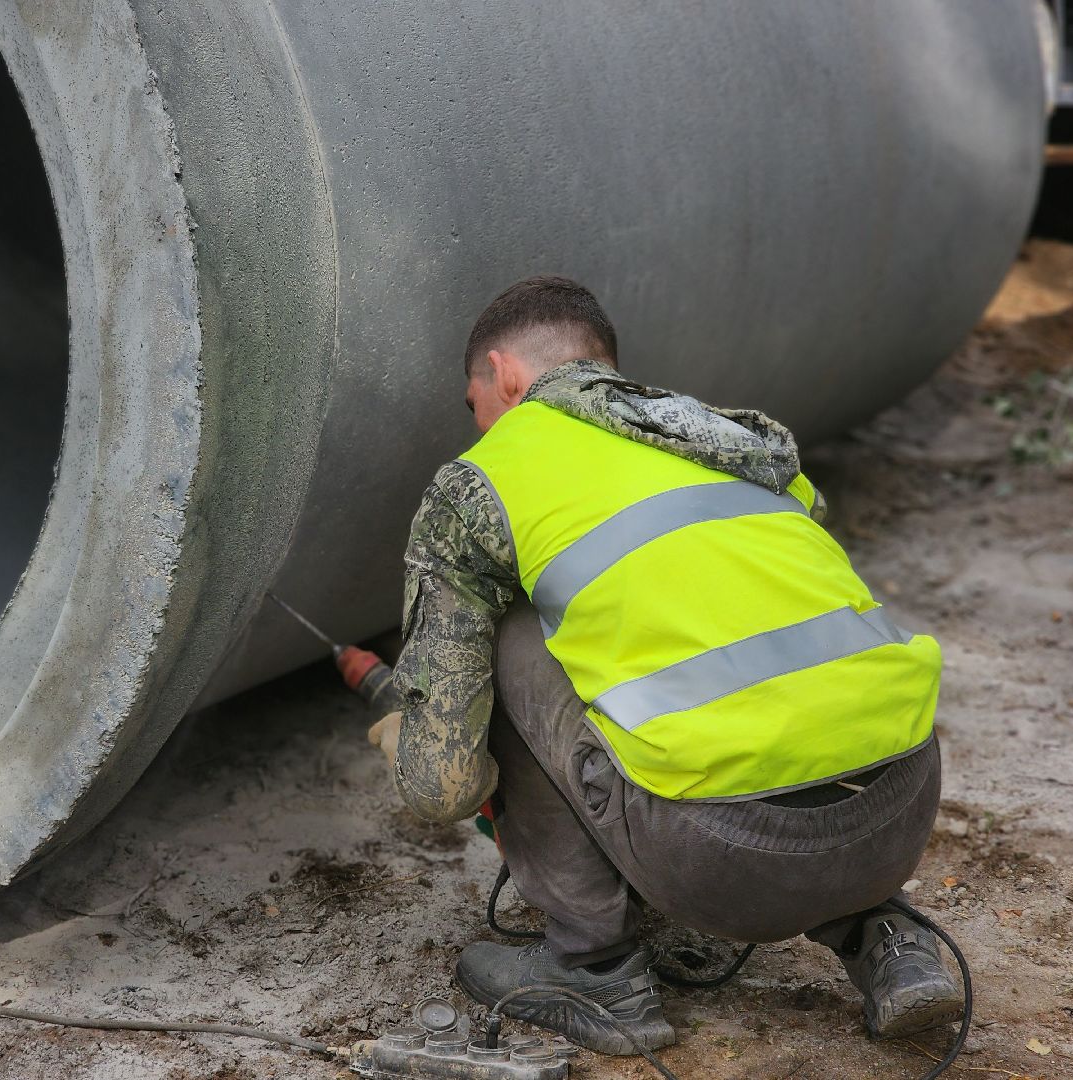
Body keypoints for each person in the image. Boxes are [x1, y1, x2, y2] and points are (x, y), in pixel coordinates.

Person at [367, 276, 963, 1055]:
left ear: (505, 375)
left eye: (472, 403)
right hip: (902, 814)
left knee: (507, 629)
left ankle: (595, 968)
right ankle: (885, 934)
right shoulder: (732, 437)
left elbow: (442, 788)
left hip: (722, 863)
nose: (476, 425)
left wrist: (424, 742)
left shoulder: (482, 482)